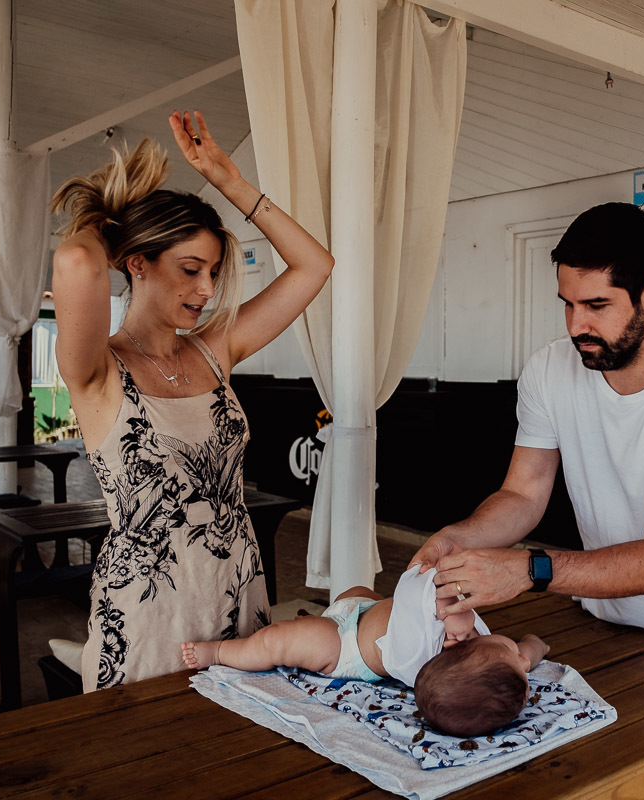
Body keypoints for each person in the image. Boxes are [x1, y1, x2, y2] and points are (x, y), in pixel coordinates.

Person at [51, 110, 335, 691]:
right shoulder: (98, 371)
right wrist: (112, 221)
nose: (207, 289)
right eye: (189, 269)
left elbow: (315, 265)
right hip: (147, 611)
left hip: (238, 590)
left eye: (213, 271)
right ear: (137, 263)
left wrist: (231, 182)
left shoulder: (215, 349)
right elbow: (77, 261)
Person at [411, 201, 644, 646]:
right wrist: (459, 537)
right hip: (602, 616)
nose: (577, 326)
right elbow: (523, 494)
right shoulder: (548, 370)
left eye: (597, 305)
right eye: (568, 305)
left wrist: (528, 569)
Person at [181, 566, 550, 737]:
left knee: (281, 640)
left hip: (346, 646)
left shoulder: (416, 657)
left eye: (509, 651)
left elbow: (412, 586)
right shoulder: (504, 664)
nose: (513, 650)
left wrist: (451, 604)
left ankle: (221, 652)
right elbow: (527, 652)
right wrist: (536, 646)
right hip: (367, 609)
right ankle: (317, 617)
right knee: (355, 590)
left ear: (458, 650)